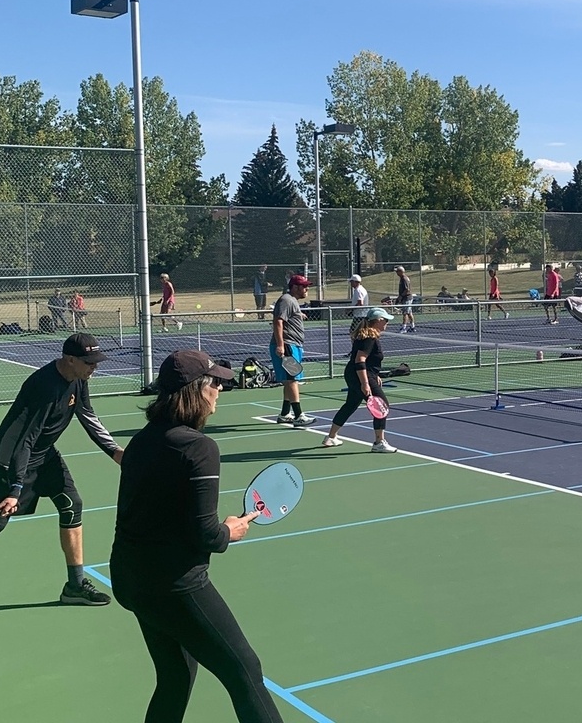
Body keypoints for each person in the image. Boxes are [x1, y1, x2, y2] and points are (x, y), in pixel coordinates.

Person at [110, 350, 283, 723]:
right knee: (245, 671)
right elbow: (206, 533)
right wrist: (230, 531)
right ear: (196, 391)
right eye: (215, 382)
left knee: (175, 675)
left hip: (129, 577)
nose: (220, 389)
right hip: (175, 584)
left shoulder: (141, 440)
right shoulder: (199, 448)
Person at [0, 333, 123, 604]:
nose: (94, 367)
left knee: (72, 504)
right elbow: (23, 440)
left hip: (43, 454)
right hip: (13, 458)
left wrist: (116, 452)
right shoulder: (44, 386)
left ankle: (74, 586)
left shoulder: (78, 379)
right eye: (89, 362)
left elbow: (87, 415)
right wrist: (15, 488)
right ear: (70, 359)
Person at [323, 308, 400, 452]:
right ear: (378, 321)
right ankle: (379, 443)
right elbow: (360, 359)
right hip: (360, 376)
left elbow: (366, 360)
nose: (387, 323)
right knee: (382, 406)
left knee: (351, 404)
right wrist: (365, 383)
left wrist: (374, 374)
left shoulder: (366, 335)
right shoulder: (370, 337)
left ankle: (331, 437)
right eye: (386, 320)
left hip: (354, 374)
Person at [271, 274, 314, 427]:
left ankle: (284, 413)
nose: (307, 289)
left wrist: (298, 315)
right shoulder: (287, 300)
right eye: (304, 286)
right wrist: (281, 345)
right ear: (295, 287)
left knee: (290, 380)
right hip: (288, 345)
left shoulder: (291, 301)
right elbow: (278, 322)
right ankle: (298, 415)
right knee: (292, 379)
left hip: (293, 345)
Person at [394, 266, 415, 333]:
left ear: (401, 271)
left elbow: (407, 289)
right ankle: (412, 326)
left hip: (407, 298)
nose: (396, 273)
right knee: (409, 312)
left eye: (397, 271)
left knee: (405, 313)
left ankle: (404, 327)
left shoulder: (404, 279)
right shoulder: (402, 278)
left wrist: (401, 296)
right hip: (405, 298)